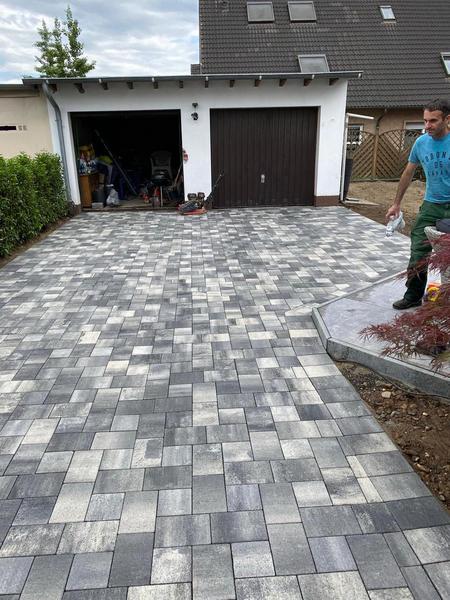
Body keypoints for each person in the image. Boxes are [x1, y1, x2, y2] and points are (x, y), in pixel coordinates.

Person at [386, 98, 450, 309]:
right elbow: (408, 172)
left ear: (447, 119)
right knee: (418, 252)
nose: (427, 126)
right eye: (425, 120)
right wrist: (396, 204)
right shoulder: (421, 143)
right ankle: (413, 295)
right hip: (431, 205)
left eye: (433, 121)